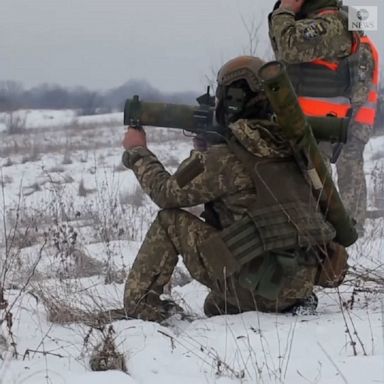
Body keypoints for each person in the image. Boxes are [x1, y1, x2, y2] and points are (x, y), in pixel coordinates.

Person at [121, 56, 347, 322]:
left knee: (169, 221)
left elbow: (167, 193)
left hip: (262, 284)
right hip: (300, 283)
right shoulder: (298, 148)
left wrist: (138, 151)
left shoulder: (225, 158)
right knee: (214, 306)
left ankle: (140, 307)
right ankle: (285, 302)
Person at [268, 0, 380, 234]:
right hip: (326, 122)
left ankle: (347, 233)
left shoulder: (334, 25)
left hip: (336, 122)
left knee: (337, 182)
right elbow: (283, 47)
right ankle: (339, 231)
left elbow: (290, 47)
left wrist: (285, 10)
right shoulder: (342, 25)